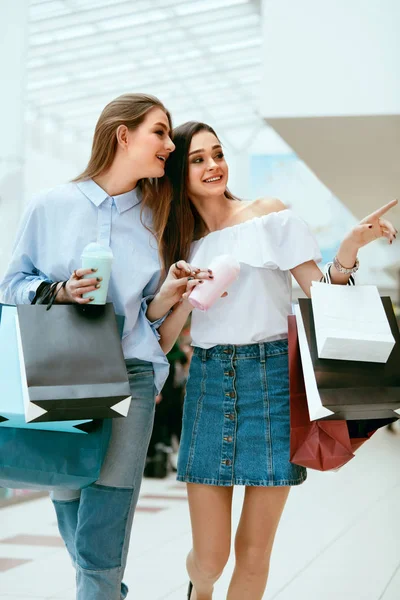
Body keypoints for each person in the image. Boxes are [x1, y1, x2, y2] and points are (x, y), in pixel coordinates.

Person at [154, 121, 398, 600]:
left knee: (254, 554)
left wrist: (347, 250)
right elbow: (162, 342)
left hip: (270, 385)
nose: (213, 166)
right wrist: (183, 293)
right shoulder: (175, 243)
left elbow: (321, 295)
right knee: (209, 558)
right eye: (198, 159)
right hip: (207, 383)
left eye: (218, 154)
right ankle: (197, 591)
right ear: (178, 171)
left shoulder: (269, 216)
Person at [0, 95, 209, 600]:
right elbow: (11, 287)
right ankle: (106, 589)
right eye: (159, 132)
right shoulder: (51, 205)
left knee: (104, 521)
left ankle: (100, 587)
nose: (169, 145)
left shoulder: (159, 219)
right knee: (67, 489)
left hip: (132, 372)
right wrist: (58, 291)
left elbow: (148, 317)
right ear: (122, 134)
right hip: (61, 370)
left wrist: (169, 296)